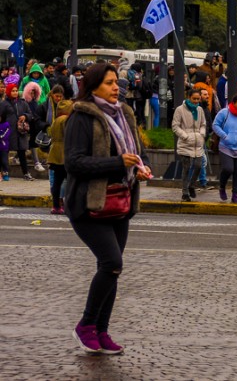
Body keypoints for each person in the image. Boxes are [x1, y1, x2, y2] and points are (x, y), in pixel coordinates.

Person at [64, 62, 152, 355]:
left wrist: (140, 167)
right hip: (88, 204)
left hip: (120, 201)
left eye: (117, 82)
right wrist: (118, 163)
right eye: (109, 83)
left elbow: (135, 153)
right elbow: (74, 162)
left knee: (113, 269)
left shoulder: (124, 114)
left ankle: (101, 331)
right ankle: (86, 325)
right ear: (93, 87)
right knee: (111, 262)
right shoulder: (82, 116)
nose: (117, 87)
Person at [171, 87, 207, 202]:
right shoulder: (180, 110)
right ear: (189, 98)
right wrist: (185, 136)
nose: (196, 101)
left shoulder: (200, 110)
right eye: (194, 99)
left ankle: (192, 185)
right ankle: (185, 192)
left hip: (198, 143)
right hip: (186, 142)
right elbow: (175, 126)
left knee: (198, 165)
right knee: (186, 168)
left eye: (198, 99)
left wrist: (201, 133)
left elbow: (203, 124)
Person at [47, 98, 73, 214]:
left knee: (57, 182)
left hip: (54, 154)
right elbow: (69, 135)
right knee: (70, 181)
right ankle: (69, 205)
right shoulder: (66, 120)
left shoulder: (56, 120)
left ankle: (56, 206)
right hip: (64, 154)